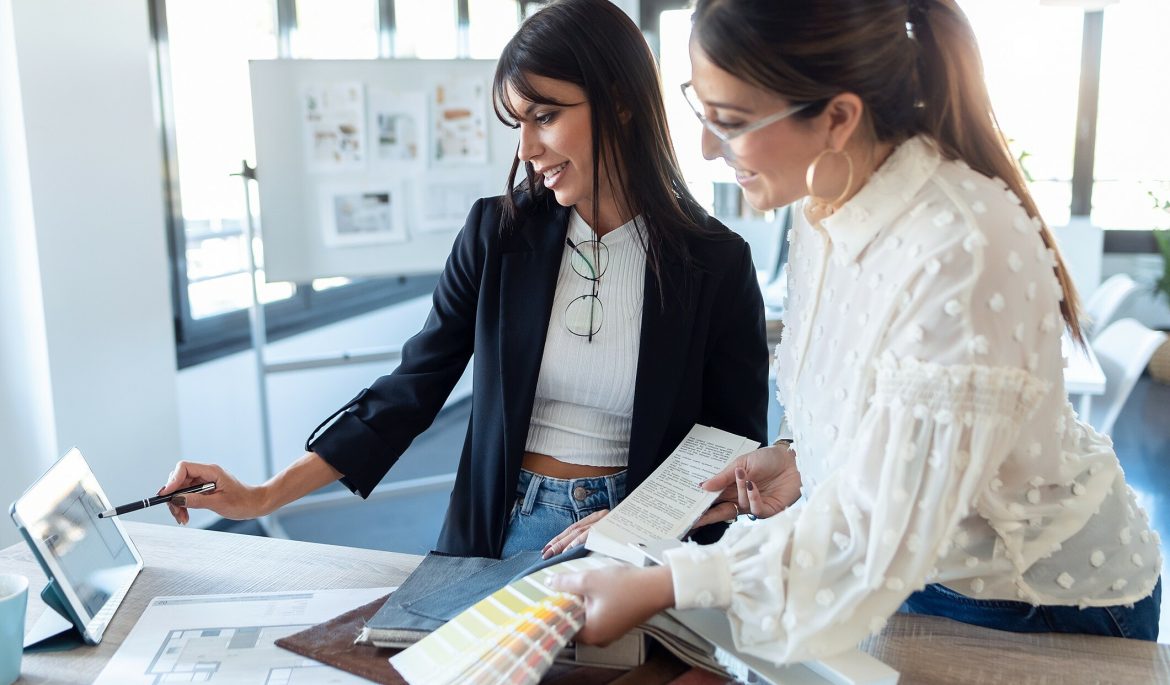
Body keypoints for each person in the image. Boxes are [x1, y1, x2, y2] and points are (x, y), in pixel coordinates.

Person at [549, 0, 1162, 657]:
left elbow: (872, 539)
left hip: (1035, 600)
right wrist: (798, 458)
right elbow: (870, 417)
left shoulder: (959, 246)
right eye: (700, 107)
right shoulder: (825, 203)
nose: (703, 146)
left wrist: (663, 583)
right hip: (918, 567)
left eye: (729, 121)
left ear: (838, 117)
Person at [158, 0, 768, 560]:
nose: (527, 147)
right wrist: (263, 496)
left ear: (620, 100)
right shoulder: (496, 234)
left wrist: (639, 525)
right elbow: (411, 388)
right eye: (517, 123)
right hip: (497, 521)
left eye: (546, 116)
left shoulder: (715, 262)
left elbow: (730, 444)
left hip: (635, 536)